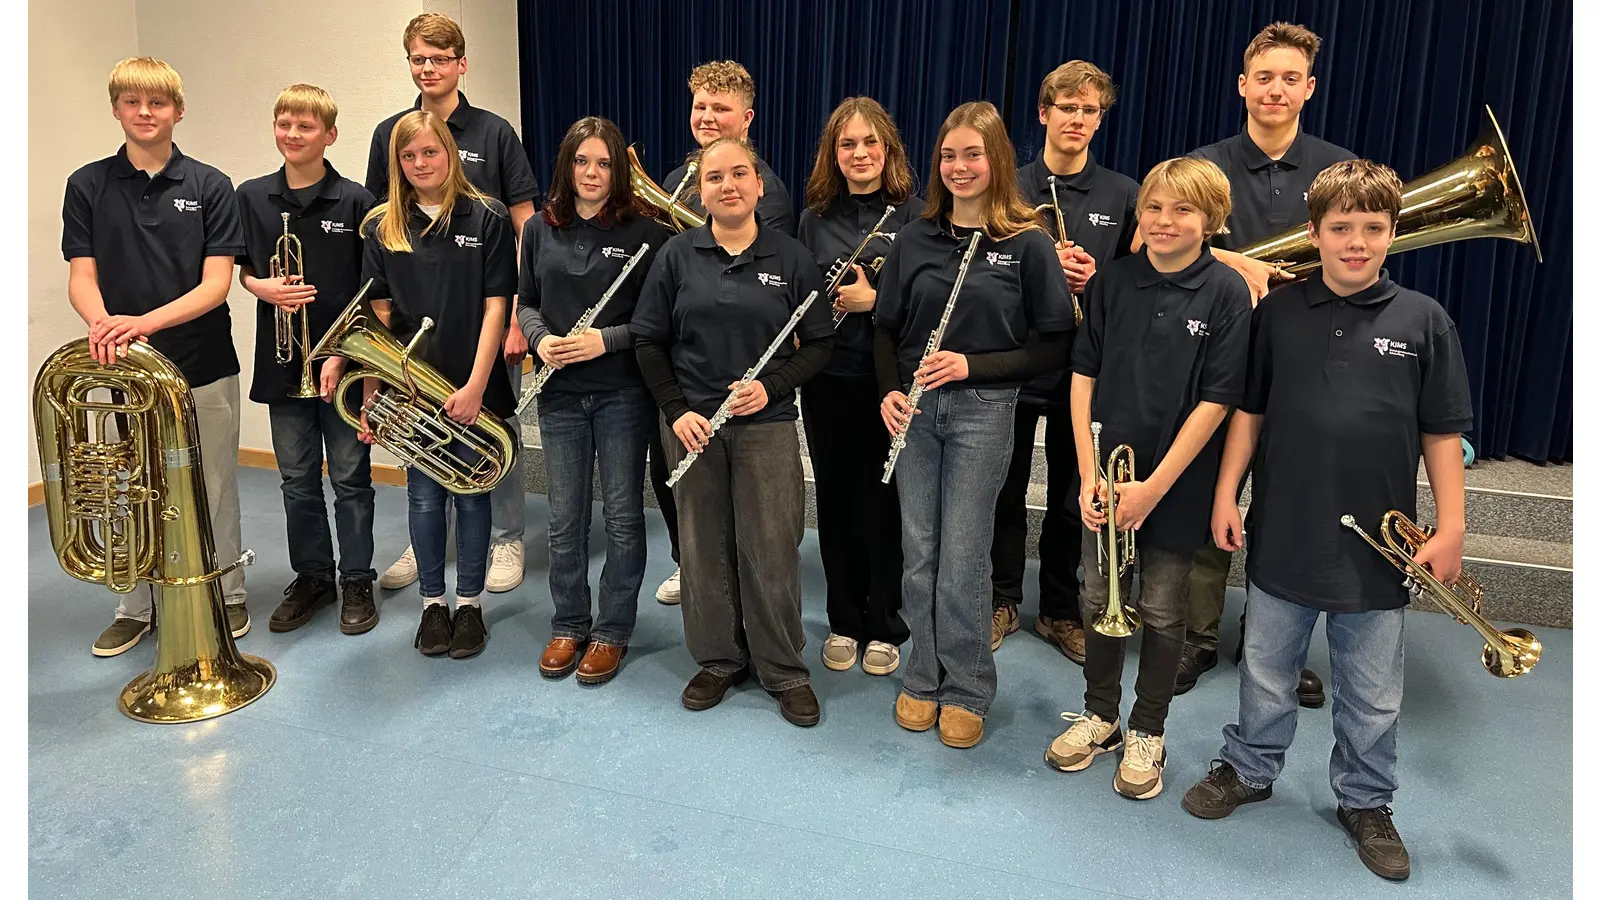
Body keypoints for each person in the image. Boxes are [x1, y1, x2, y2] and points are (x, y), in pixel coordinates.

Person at [1181, 160, 1473, 883]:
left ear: (1393, 233)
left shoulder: (1424, 321)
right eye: (1340, 228)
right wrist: (1227, 494)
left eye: (1372, 228)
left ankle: (1367, 800)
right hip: (1285, 529)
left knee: (1372, 692)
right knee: (1266, 670)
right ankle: (1249, 768)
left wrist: (1453, 525)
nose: (1356, 242)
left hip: (1377, 552)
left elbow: (1442, 433)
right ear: (1314, 234)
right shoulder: (1276, 314)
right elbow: (1247, 415)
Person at [1043, 157, 1250, 800]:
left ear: (1210, 221)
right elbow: (1082, 378)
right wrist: (1086, 472)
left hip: (1176, 483)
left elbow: (1217, 402)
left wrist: (1153, 487)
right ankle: (1101, 714)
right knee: (1097, 595)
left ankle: (1147, 729)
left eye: (1183, 210)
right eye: (1155, 207)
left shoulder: (1226, 292)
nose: (1164, 221)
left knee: (1162, 609)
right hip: (1104, 479)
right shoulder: (1113, 282)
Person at [877, 101, 1074, 749]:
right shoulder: (914, 237)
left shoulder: (1026, 242)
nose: (959, 167)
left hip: (984, 411)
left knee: (962, 557)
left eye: (973, 154)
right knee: (919, 553)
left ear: (995, 159)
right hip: (915, 409)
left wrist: (972, 364)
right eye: (948, 155)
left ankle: (966, 687)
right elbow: (884, 329)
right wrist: (888, 392)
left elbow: (1053, 344)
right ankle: (923, 672)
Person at [1176, 21, 1357, 702]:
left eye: (1290, 78)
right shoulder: (1203, 166)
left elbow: (1362, 259)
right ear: (1242, 85)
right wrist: (1235, 261)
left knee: (1287, 506)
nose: (1275, 89)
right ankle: (1195, 637)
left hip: (1305, 363)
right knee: (1203, 503)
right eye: (1265, 77)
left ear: (1308, 88)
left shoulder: (1338, 171)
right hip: (1213, 358)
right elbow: (1160, 243)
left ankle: (1271, 641)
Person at [632, 136, 832, 727]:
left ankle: (783, 669)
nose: (729, 185)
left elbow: (820, 342)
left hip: (765, 423)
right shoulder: (676, 256)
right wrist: (676, 410)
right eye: (715, 177)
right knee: (701, 544)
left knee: (770, 546)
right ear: (702, 190)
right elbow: (648, 340)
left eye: (739, 173)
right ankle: (718, 658)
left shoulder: (791, 257)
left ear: (759, 184)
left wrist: (773, 386)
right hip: (693, 426)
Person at [62, 56, 251, 655]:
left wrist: (142, 323)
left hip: (201, 360)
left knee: (212, 483)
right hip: (123, 367)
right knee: (125, 483)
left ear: (179, 110)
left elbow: (216, 284)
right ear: (116, 108)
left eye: (159, 103)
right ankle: (134, 603)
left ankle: (228, 593)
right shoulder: (86, 185)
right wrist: (105, 326)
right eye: (133, 103)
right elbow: (81, 275)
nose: (146, 113)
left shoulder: (210, 185)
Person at [367, 12, 541, 595]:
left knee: (495, 423)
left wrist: (520, 310)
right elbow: (384, 222)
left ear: (460, 64)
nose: (428, 68)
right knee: (420, 430)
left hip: (486, 312)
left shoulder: (494, 132)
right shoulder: (390, 132)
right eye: (418, 58)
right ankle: (427, 545)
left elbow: (525, 227)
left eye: (439, 58)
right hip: (418, 328)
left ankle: (506, 536)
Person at [990, 60, 1139, 663]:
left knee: (1074, 493)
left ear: (1099, 120)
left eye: (1089, 111)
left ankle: (1057, 609)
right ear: (1044, 114)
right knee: (1002, 489)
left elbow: (1139, 279)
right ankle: (1001, 599)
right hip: (1018, 361)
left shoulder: (1124, 194)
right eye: (1066, 108)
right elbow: (984, 274)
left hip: (1086, 370)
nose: (1076, 120)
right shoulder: (1010, 186)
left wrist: (1096, 278)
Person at [359, 110, 518, 659]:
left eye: (431, 152)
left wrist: (476, 384)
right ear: (397, 164)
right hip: (410, 385)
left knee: (473, 495)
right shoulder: (382, 226)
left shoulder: (487, 217)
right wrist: (374, 395)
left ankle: (469, 605)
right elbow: (377, 317)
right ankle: (433, 606)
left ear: (449, 154)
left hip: (473, 378)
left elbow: (496, 306)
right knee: (425, 498)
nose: (421, 163)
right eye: (409, 156)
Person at [521, 117, 670, 685]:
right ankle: (568, 624)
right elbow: (526, 301)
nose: (592, 173)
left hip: (621, 396)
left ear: (618, 171)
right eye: (582, 162)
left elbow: (656, 322)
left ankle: (611, 631)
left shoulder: (646, 234)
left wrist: (603, 340)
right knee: (564, 520)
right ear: (567, 165)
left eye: (604, 163)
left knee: (624, 519)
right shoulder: (539, 229)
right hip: (559, 397)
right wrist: (541, 339)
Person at [647, 60, 798, 606]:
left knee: (743, 493)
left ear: (747, 118)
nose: (707, 117)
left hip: (742, 366)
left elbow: (766, 277)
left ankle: (731, 573)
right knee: (669, 469)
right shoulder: (676, 181)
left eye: (721, 108)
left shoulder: (768, 191)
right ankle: (694, 562)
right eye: (700, 107)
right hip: (682, 351)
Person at [236, 84, 378, 636]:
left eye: (305, 127)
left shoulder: (356, 201)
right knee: (296, 479)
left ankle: (357, 578)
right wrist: (260, 287)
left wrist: (344, 355)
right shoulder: (250, 196)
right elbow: (242, 266)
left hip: (343, 365)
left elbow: (373, 290)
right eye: (284, 124)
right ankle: (314, 576)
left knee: (350, 477)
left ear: (330, 135)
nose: (292, 135)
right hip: (282, 364)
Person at [797, 96, 923, 677]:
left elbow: (930, 303)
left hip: (888, 384)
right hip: (827, 381)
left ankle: (884, 621)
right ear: (834, 153)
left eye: (870, 142)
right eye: (847, 144)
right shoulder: (813, 217)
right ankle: (844, 617)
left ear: (888, 148)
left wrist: (878, 302)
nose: (860, 153)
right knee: (837, 499)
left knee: (884, 501)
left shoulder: (917, 216)